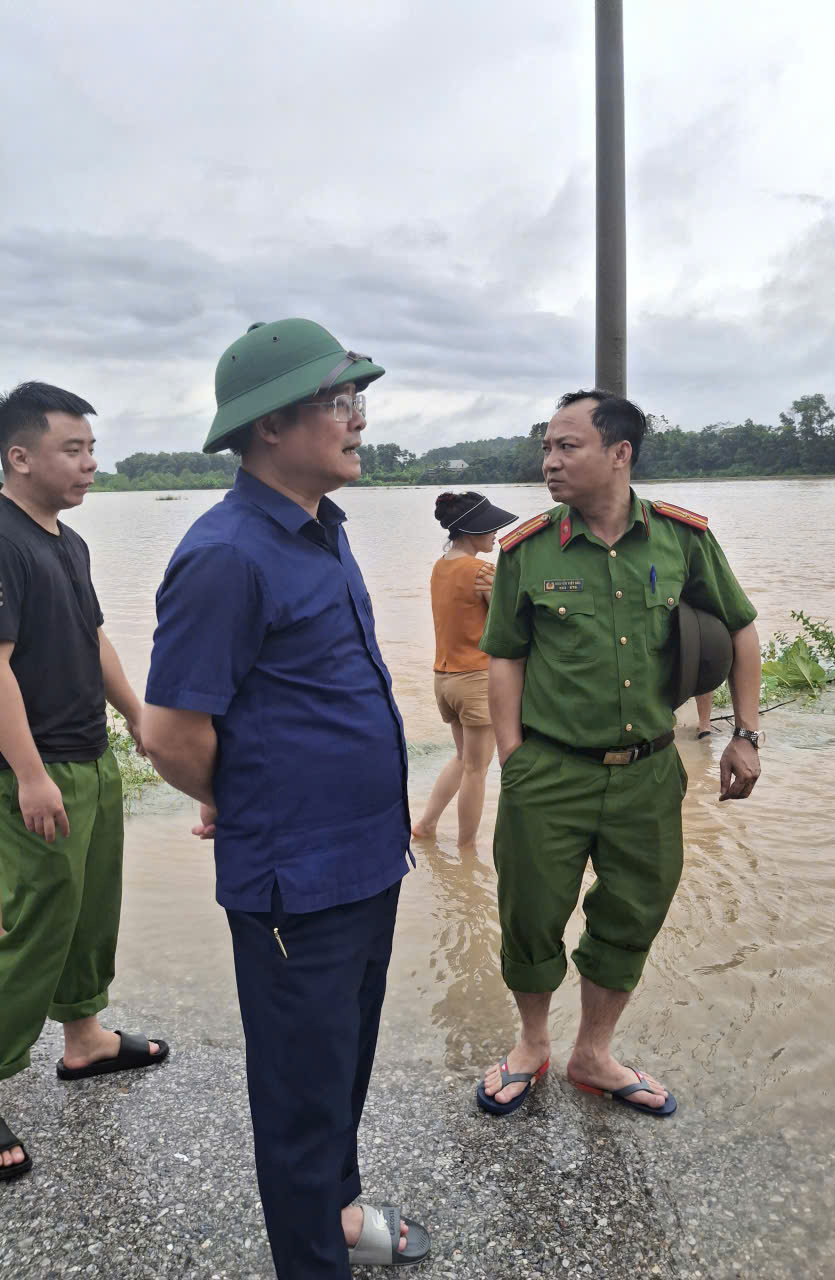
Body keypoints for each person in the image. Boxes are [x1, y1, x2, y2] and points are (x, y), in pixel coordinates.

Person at [141, 320, 430, 1278]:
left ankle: (339, 1217)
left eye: (358, 401)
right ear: (270, 425)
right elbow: (172, 732)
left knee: (340, 1070)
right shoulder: (226, 554)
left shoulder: (321, 530)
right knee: (301, 1100)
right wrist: (246, 800)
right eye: (339, 402)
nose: (359, 421)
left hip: (363, 861)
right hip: (294, 883)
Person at [476, 388, 762, 1117]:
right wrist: (514, 756)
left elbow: (739, 631)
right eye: (546, 447)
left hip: (647, 772)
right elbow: (504, 656)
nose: (550, 461)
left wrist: (746, 734)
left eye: (567, 445)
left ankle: (594, 1053)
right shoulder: (527, 549)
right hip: (550, 770)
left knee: (634, 912)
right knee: (530, 913)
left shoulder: (682, 539)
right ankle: (532, 1045)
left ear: (620, 453)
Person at [0, 382, 167, 1184]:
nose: (91, 464)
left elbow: (94, 633)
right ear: (19, 455)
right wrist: (29, 775)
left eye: (92, 449)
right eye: (74, 449)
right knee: (34, 926)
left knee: (91, 909)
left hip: (89, 755)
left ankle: (85, 1039)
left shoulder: (66, 541)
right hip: (30, 770)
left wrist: (135, 715)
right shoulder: (0, 537)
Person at [411, 490, 517, 849]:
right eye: (489, 529)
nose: (495, 535)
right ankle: (467, 849)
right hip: (475, 679)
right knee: (477, 768)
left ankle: (425, 825)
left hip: (444, 679)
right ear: (471, 530)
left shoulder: (440, 567)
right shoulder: (481, 570)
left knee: (462, 758)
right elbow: (511, 623)